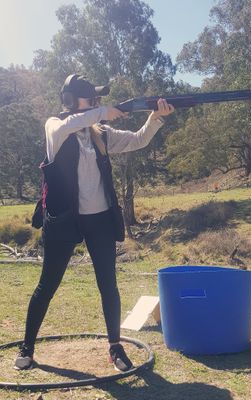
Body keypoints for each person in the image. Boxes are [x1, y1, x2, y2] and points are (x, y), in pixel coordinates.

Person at [14, 74, 174, 372]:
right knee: (46, 286)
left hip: (99, 219)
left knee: (108, 285)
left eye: (98, 100)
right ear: (70, 101)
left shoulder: (99, 132)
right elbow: (67, 125)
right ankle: (27, 346)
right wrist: (102, 112)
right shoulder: (55, 126)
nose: (97, 103)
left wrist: (155, 118)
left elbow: (138, 140)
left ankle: (115, 347)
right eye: (91, 99)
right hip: (63, 220)